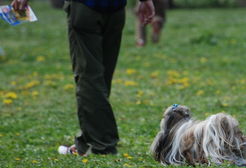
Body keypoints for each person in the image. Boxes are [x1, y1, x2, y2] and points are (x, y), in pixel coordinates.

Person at [12, 0, 155, 156]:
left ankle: (101, 145)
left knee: (90, 78)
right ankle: (86, 142)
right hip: (116, 9)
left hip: (86, 7)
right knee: (102, 78)